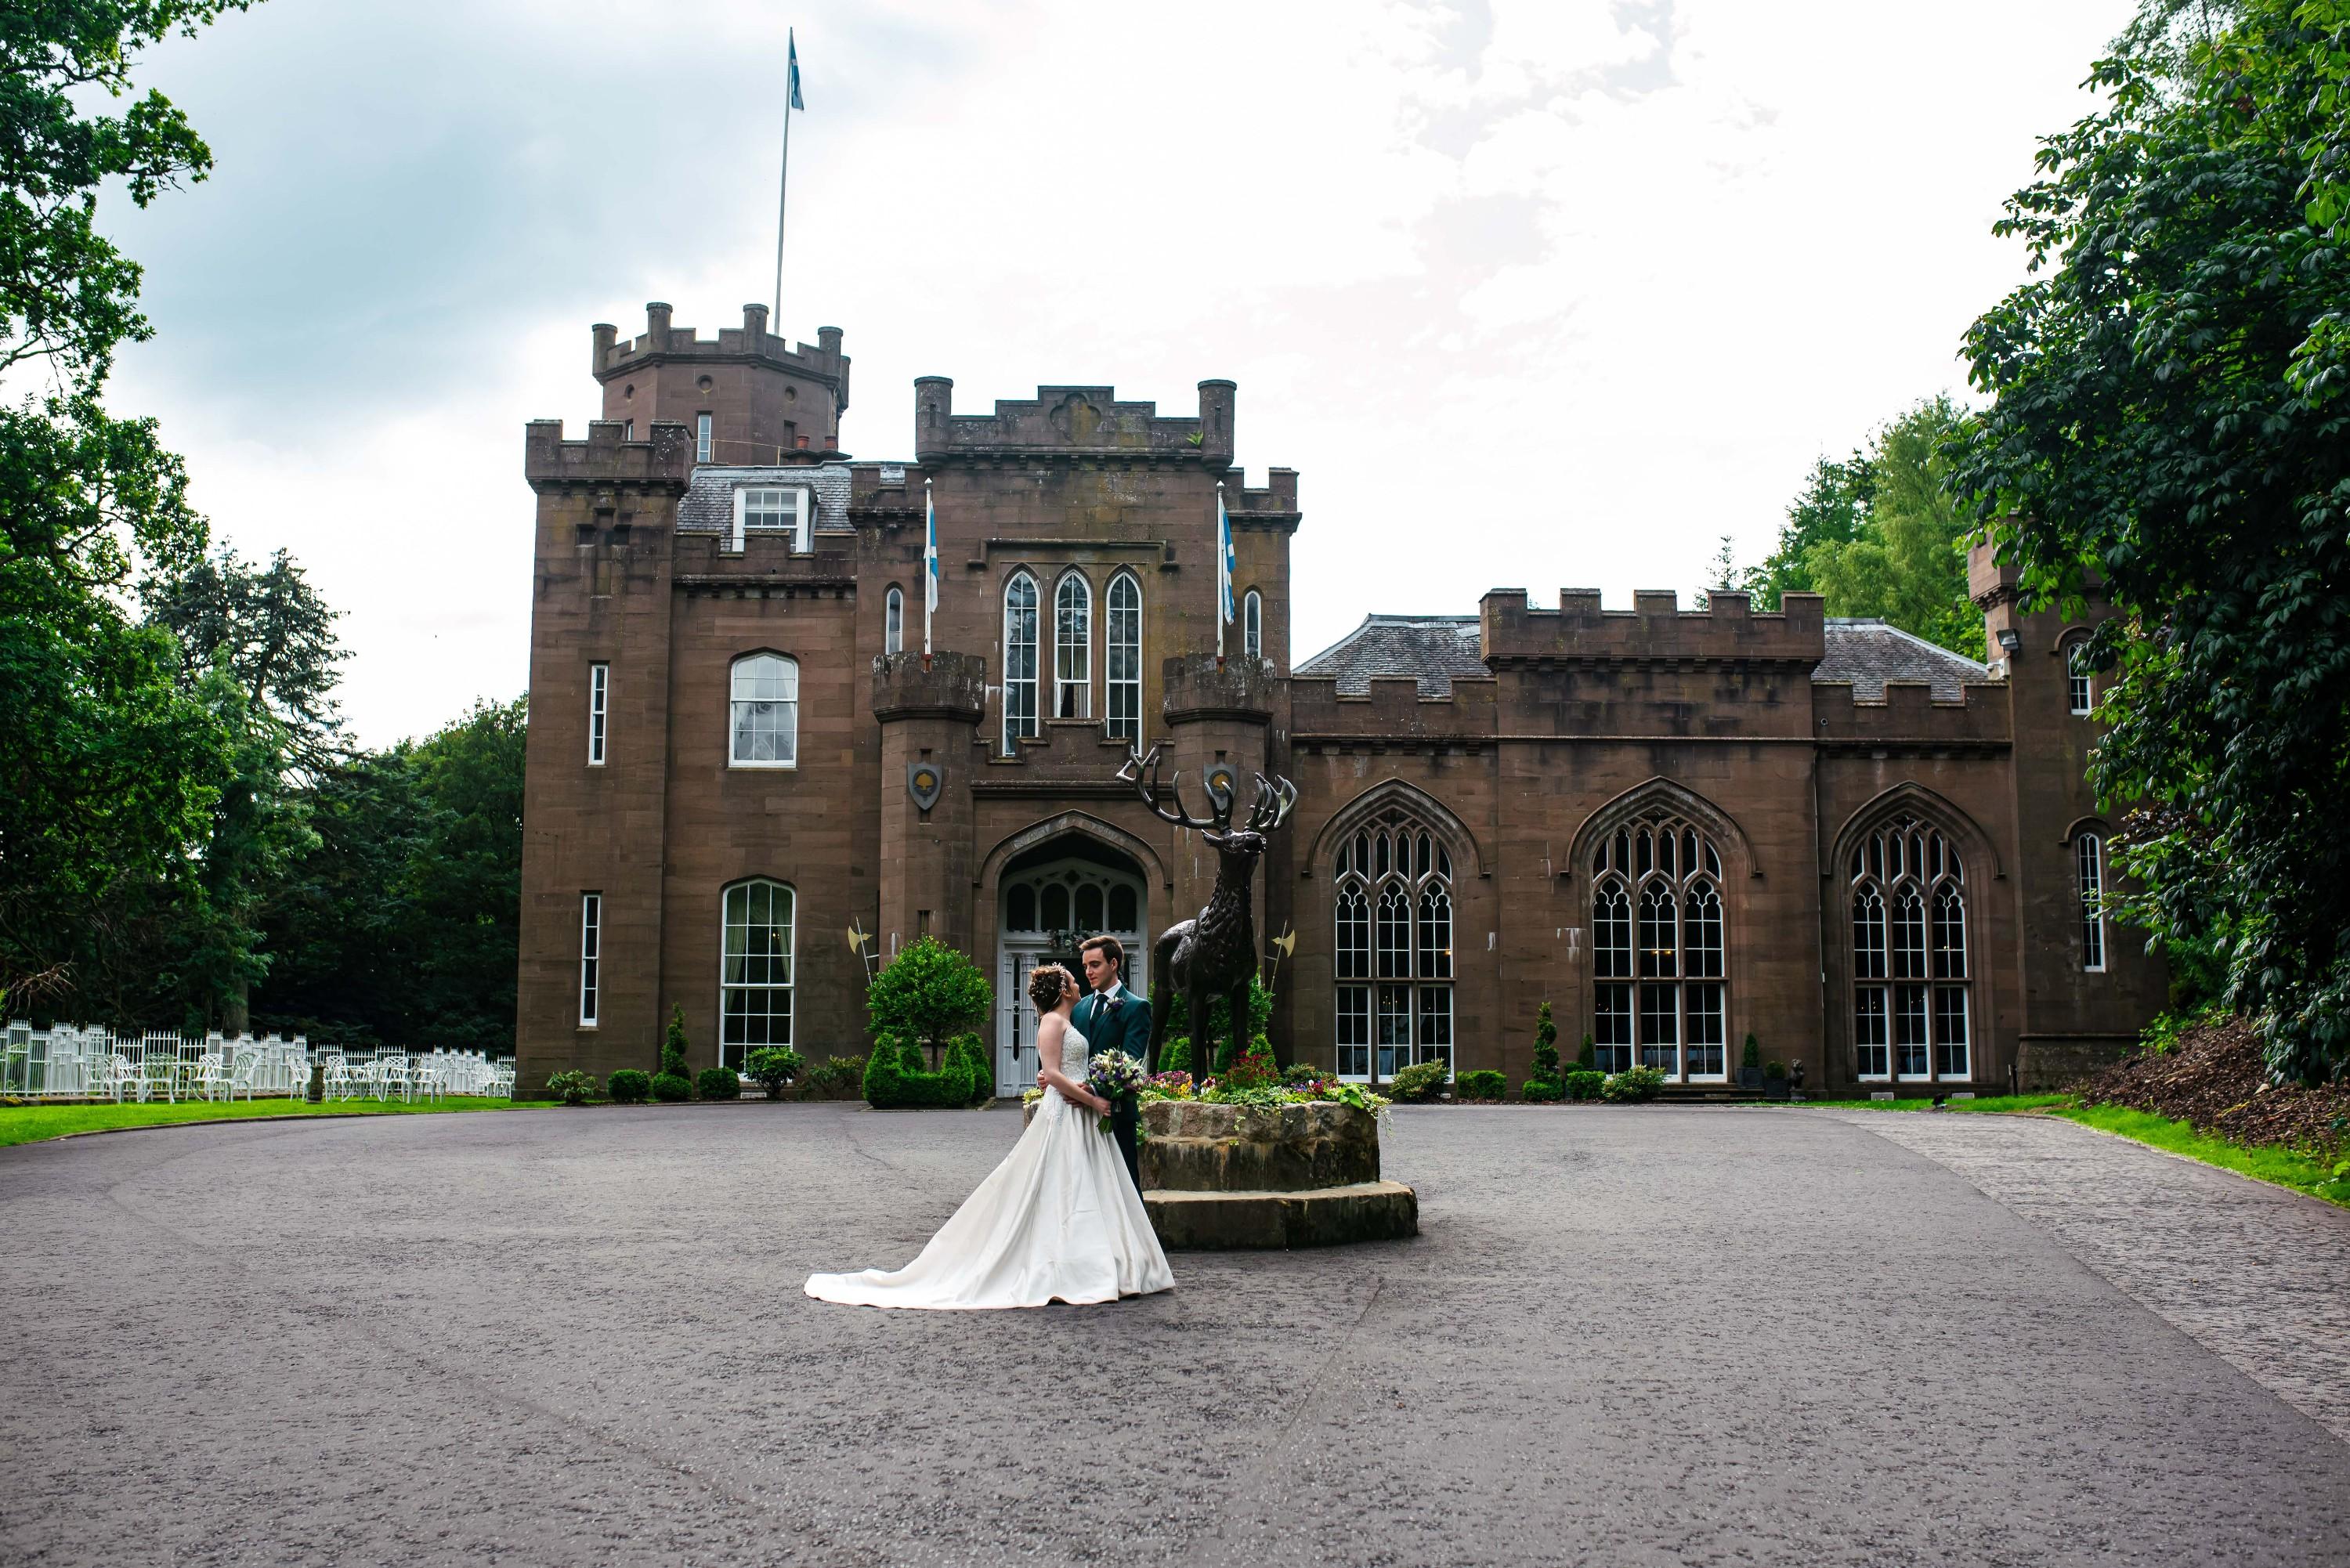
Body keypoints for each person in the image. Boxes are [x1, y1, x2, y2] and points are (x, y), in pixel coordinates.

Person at [804, 963, 1173, 1310]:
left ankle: (1101, 1263)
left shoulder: (1068, 1019)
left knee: (1089, 1185)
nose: (1079, 981)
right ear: (1063, 989)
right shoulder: (1051, 1023)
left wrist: (1094, 1088)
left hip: (1083, 1117)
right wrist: (1091, 1098)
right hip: (1067, 1114)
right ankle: (1067, 1265)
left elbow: (1064, 1069)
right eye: (1072, 980)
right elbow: (1054, 1075)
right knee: (1062, 1185)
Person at [1069, 934, 1149, 1192]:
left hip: (1116, 1114)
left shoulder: (1136, 1007)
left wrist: (1093, 1089)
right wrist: (1052, 1076)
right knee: (1085, 1188)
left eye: (1095, 965)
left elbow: (1130, 1060)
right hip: (1078, 1114)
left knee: (1124, 1186)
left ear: (1113, 964)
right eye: (1085, 967)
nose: (1089, 972)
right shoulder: (1079, 1008)